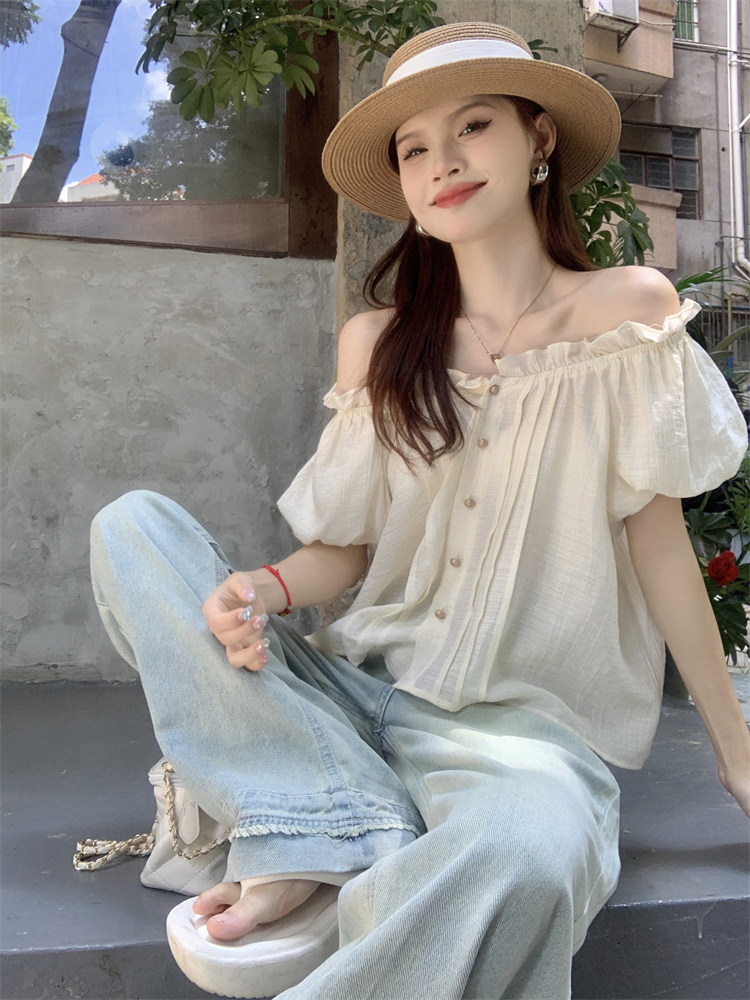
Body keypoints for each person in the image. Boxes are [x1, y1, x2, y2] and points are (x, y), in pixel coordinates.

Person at [89, 21, 750, 1000]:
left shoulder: (627, 315)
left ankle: (325, 828)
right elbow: (344, 552)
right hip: (348, 697)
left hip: (519, 740)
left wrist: (739, 759)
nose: (442, 162)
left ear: (538, 138)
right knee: (132, 527)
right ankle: (323, 817)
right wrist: (259, 590)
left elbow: (658, 548)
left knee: (530, 858)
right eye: (413, 148)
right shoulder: (379, 344)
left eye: (473, 126)